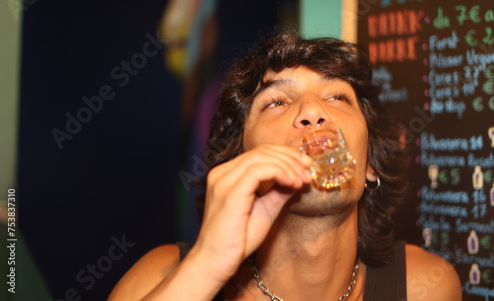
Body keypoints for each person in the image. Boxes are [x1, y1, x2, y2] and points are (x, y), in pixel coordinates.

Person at [108, 33, 462, 300]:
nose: (312, 111)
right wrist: (208, 265)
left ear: (370, 164)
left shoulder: (425, 287)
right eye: (276, 101)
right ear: (239, 163)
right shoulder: (161, 279)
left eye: (337, 97)